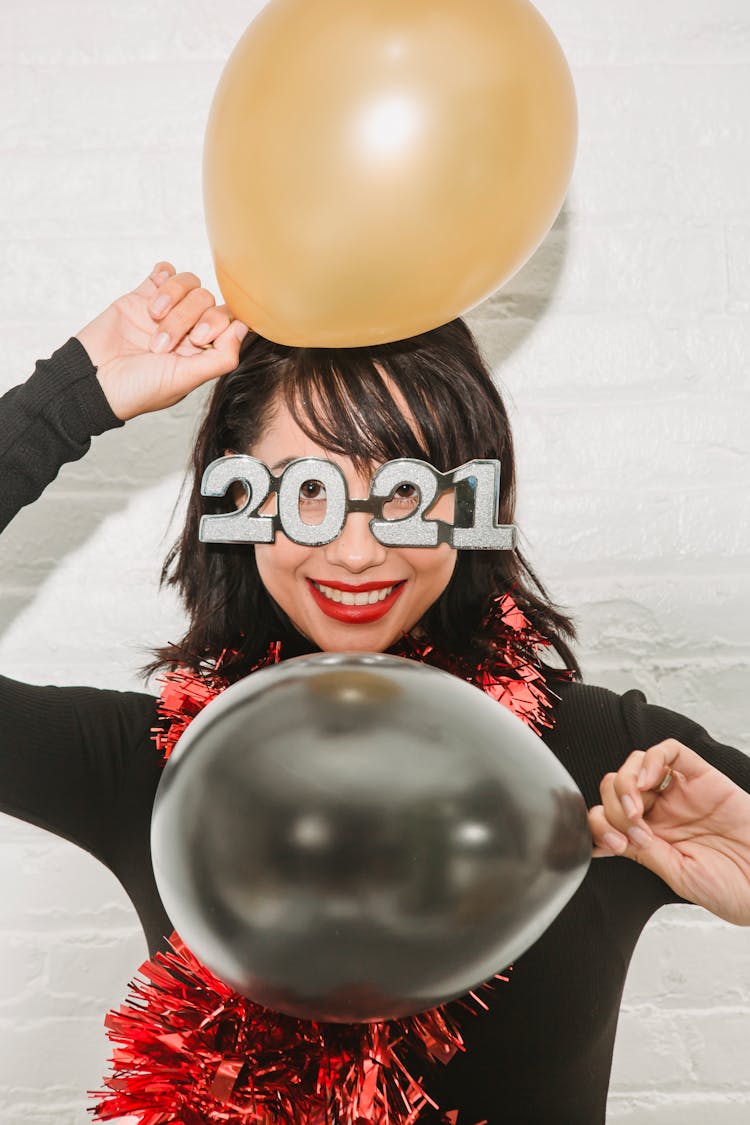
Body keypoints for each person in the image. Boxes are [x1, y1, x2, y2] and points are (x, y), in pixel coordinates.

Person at [1, 262, 749, 1124]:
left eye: (403, 492)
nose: (357, 552)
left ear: (473, 497)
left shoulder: (622, 775)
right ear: (237, 497)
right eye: (310, 492)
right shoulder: (150, 763)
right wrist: (73, 396)